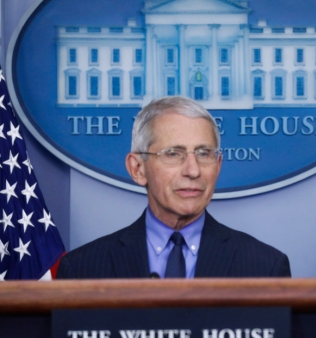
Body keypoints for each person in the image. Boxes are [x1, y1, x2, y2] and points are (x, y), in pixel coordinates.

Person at [57, 96, 291, 279]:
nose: (193, 170)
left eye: (203, 153)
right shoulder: (82, 269)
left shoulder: (265, 266)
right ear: (138, 169)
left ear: (218, 166)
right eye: (173, 154)